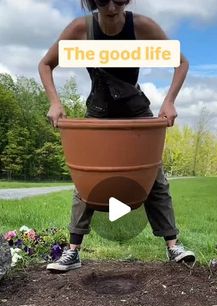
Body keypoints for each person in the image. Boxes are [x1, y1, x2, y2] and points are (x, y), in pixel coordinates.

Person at [38, 0, 196, 271]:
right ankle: (73, 252)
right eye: (103, 0)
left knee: (154, 175)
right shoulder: (81, 28)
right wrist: (55, 102)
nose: (111, 7)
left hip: (136, 109)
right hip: (99, 110)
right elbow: (45, 64)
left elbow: (181, 63)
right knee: (88, 178)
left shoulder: (141, 26)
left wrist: (169, 101)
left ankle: (173, 246)